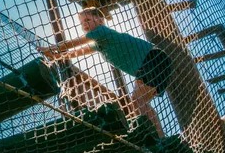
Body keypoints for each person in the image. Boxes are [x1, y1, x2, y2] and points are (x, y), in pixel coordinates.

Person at [38, 7, 172, 137]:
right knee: (139, 104)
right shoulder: (99, 44)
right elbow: (78, 52)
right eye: (82, 23)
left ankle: (157, 139)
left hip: (152, 59)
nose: (85, 24)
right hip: (156, 62)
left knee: (138, 102)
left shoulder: (102, 31)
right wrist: (58, 56)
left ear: (100, 20)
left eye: (88, 20)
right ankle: (160, 138)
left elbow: (74, 43)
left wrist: (49, 48)